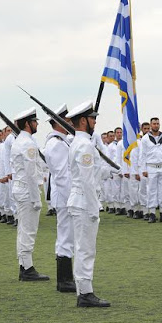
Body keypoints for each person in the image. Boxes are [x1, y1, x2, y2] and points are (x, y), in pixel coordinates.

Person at [67, 100, 111, 307]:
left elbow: (91, 173)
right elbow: (86, 180)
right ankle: (85, 293)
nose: (95, 121)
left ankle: (84, 290)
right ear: (83, 120)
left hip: (81, 200)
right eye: (92, 118)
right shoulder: (84, 145)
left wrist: (109, 170)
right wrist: (94, 208)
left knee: (84, 248)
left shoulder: (82, 142)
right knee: (85, 249)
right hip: (85, 202)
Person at [10, 107, 49, 281]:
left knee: (23, 229)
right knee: (28, 230)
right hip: (27, 190)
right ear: (27, 123)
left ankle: (24, 264)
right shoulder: (27, 143)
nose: (37, 124)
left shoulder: (20, 140)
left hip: (21, 189)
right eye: (34, 121)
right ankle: (27, 268)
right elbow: (31, 172)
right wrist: (36, 198)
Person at [43, 104, 76, 293]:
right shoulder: (56, 144)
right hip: (65, 198)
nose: (71, 124)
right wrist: (72, 199)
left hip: (66, 196)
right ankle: (64, 280)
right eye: (68, 120)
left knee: (67, 236)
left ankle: (66, 278)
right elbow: (63, 177)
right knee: (65, 237)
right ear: (60, 122)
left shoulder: (62, 141)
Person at [139, 117, 162, 223]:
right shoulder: (145, 138)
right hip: (151, 167)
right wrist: (143, 169)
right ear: (151, 125)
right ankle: (152, 213)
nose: (156, 125)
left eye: (157, 123)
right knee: (151, 191)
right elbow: (142, 155)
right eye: (154, 124)